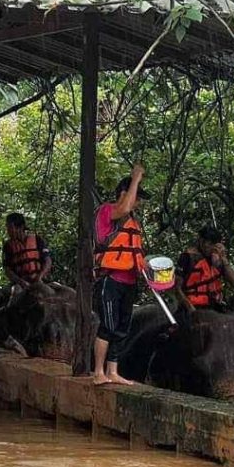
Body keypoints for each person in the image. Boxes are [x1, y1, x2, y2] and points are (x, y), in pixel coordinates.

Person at [92, 165, 149, 386]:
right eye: (137, 197)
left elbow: (135, 253)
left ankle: (112, 371)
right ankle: (98, 371)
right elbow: (123, 208)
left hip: (129, 281)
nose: (139, 202)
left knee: (122, 327)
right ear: (124, 194)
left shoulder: (134, 223)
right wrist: (136, 178)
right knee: (108, 325)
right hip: (110, 280)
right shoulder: (108, 211)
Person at [178, 225, 234, 310]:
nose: (211, 248)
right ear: (201, 241)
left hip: (215, 307)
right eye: (209, 244)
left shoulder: (217, 259)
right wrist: (190, 309)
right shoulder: (187, 257)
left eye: (214, 245)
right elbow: (177, 288)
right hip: (193, 307)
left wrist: (224, 259)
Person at [2, 212, 51, 289]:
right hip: (20, 284)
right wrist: (21, 282)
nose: (8, 230)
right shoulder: (8, 246)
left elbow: (47, 261)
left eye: (10, 227)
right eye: (7, 227)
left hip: (40, 280)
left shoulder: (37, 240)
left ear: (20, 227)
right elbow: (7, 270)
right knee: (15, 292)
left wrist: (40, 277)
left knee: (66, 291)